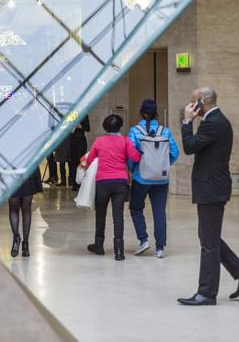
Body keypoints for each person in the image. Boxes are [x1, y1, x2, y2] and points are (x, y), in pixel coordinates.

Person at [177, 88, 239, 306]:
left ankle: (207, 293)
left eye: (193, 102)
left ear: (202, 102)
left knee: (208, 243)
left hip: (211, 187)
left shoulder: (213, 122)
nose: (190, 106)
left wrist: (186, 123)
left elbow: (189, 147)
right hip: (212, 186)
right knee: (208, 237)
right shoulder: (217, 120)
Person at [81, 114, 141, 261]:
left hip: (102, 182)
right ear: (120, 126)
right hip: (121, 182)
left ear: (105, 127)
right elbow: (136, 157)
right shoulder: (125, 141)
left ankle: (99, 245)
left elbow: (89, 160)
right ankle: (119, 251)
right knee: (118, 216)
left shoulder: (99, 141)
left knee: (100, 214)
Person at [128, 99, 179, 257]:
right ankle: (160, 248)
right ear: (156, 113)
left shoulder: (135, 131)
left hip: (140, 178)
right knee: (159, 212)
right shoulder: (165, 131)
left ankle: (143, 240)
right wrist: (162, 165)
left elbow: (131, 155)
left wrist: (134, 169)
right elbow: (175, 153)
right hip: (161, 180)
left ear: (142, 113)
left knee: (136, 208)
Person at [9, 167, 43, 258]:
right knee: (26, 208)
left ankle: (16, 238)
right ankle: (25, 245)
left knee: (13, 209)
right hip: (28, 169)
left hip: (11, 171)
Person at [68, 115, 91, 190]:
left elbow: (88, 128)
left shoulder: (84, 115)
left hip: (81, 141)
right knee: (73, 163)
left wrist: (80, 126)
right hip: (72, 141)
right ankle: (74, 184)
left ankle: (82, 183)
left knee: (82, 162)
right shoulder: (70, 116)